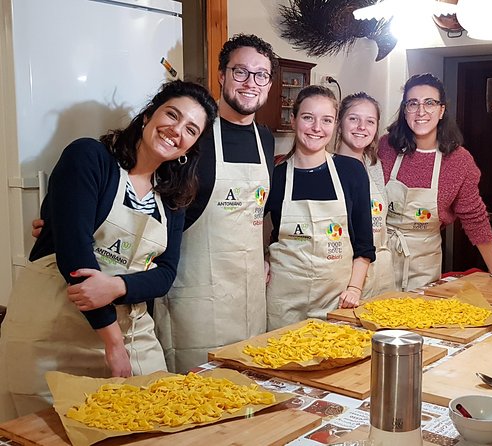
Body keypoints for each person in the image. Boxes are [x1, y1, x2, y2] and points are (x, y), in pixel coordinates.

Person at [0, 80, 218, 421]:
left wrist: (117, 287)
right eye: (171, 115)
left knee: (155, 420)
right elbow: (75, 256)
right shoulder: (89, 157)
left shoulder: (173, 197)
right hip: (52, 338)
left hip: (131, 334)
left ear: (190, 146)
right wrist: (112, 343)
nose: (176, 131)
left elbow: (165, 273)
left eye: (190, 129)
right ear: (147, 116)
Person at [152, 34, 278, 373]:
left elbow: (260, 211)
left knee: (246, 393)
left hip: (250, 297)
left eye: (261, 75)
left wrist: (265, 254)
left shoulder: (265, 138)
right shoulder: (193, 132)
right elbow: (136, 178)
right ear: (221, 75)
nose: (250, 83)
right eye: (240, 72)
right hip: (194, 296)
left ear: (268, 84)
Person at [378, 73, 492, 292]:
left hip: (424, 267)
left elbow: (474, 216)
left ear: (442, 110)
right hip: (379, 259)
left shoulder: (458, 161)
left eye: (430, 103)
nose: (421, 111)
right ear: (405, 110)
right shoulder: (386, 147)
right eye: (413, 104)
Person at [265, 85, 375, 330]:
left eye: (326, 120)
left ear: (335, 125)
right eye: (307, 118)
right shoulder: (275, 176)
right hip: (283, 301)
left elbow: (365, 245)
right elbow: (249, 229)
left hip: (337, 300)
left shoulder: (351, 172)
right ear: (293, 120)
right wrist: (262, 260)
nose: (317, 128)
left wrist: (354, 289)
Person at [334, 92, 394, 299]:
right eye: (353, 119)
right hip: (345, 279)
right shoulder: (327, 167)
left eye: (370, 121)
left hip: (382, 275)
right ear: (339, 123)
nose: (362, 127)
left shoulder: (375, 167)